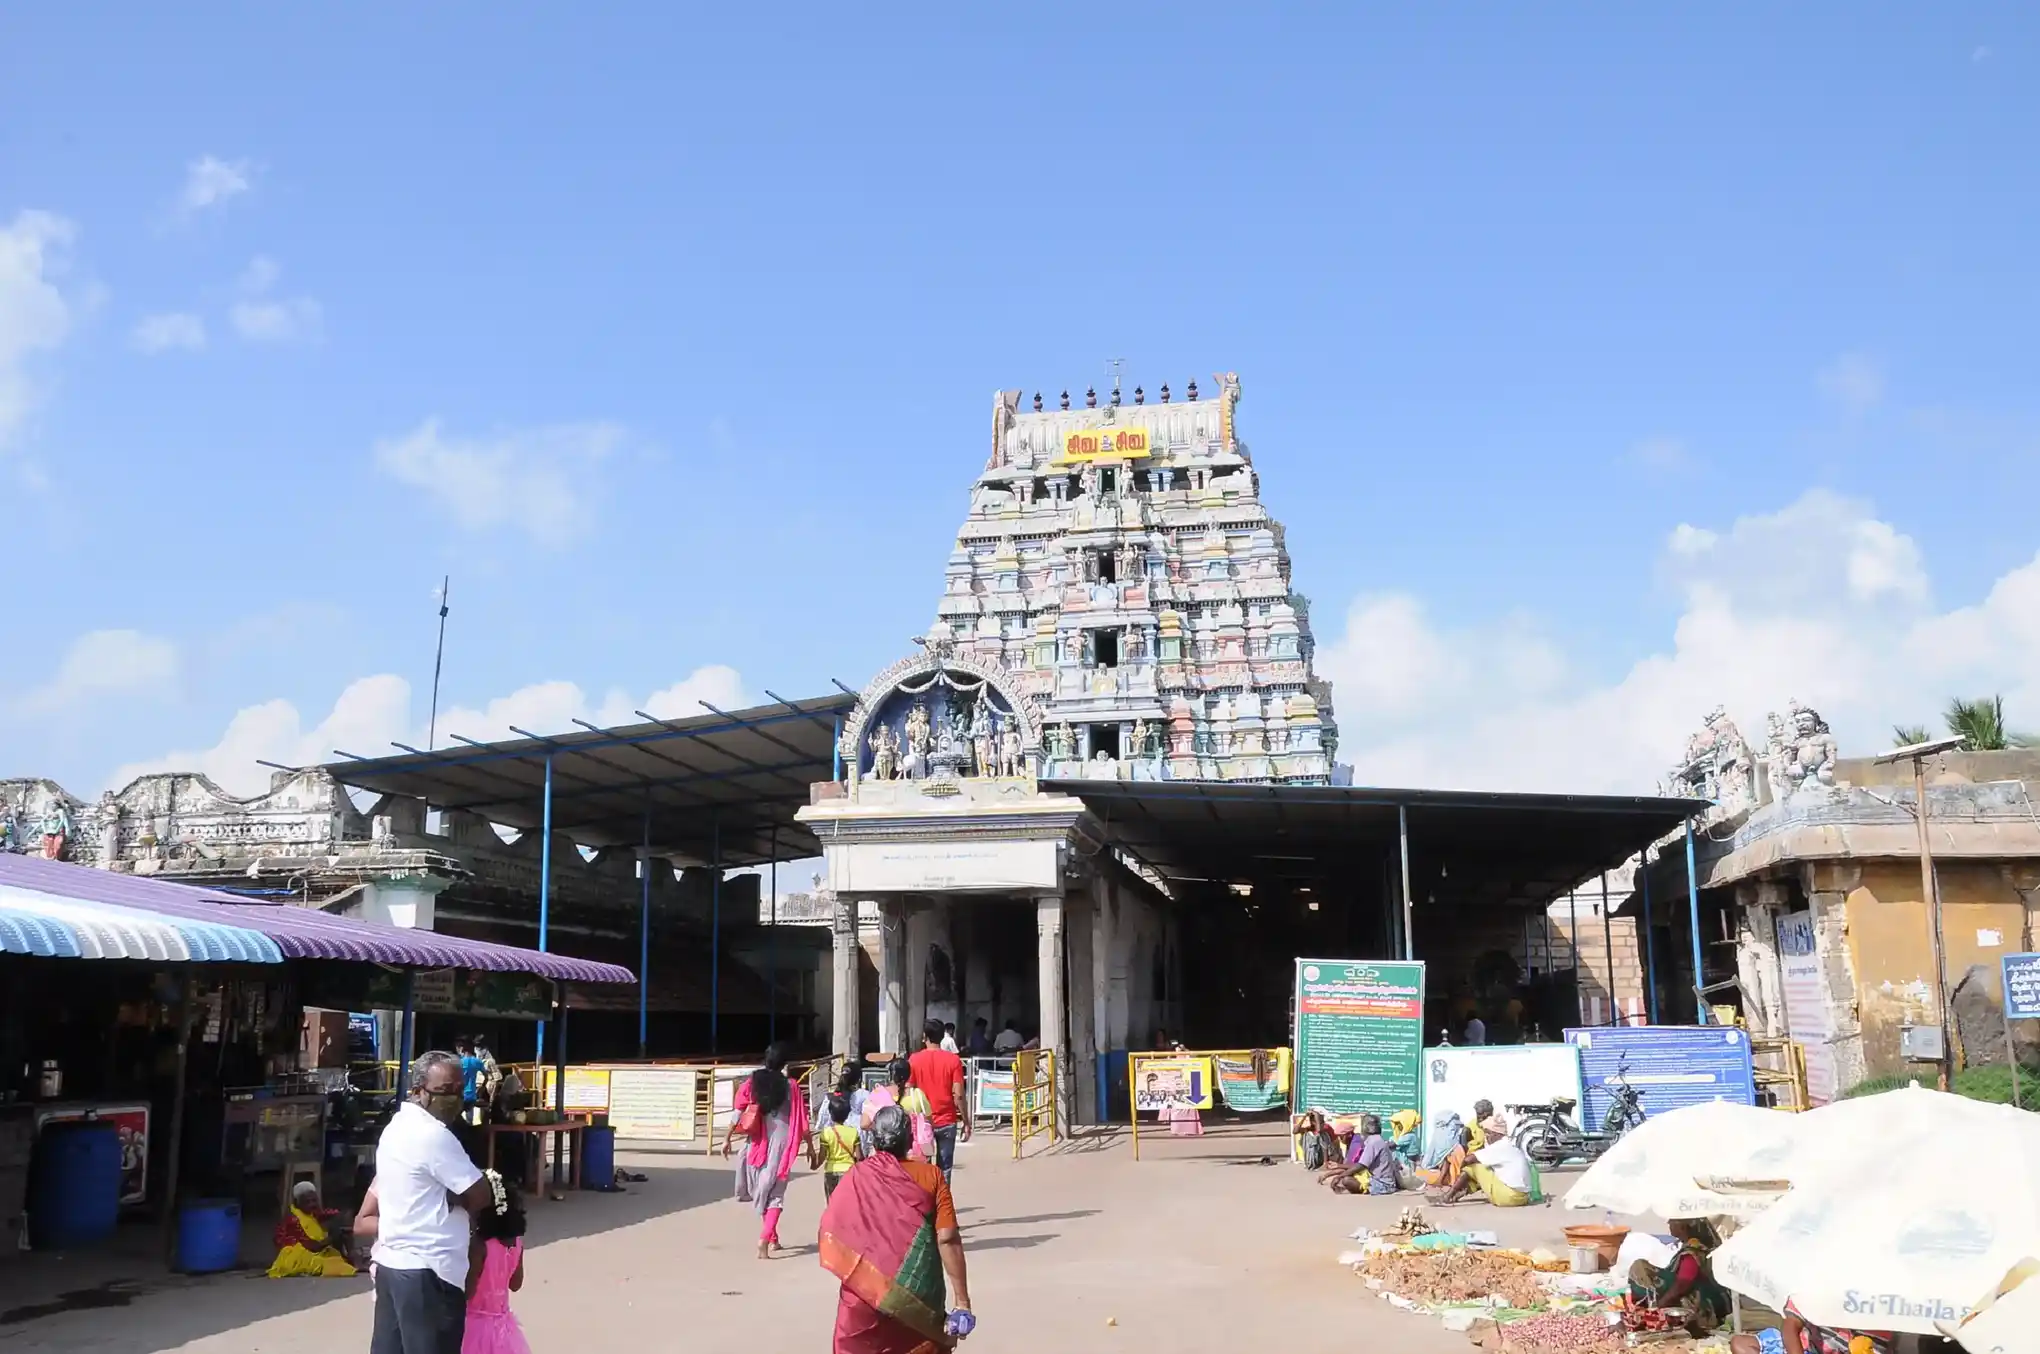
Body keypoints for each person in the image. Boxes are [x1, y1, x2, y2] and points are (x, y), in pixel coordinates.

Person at [357, 1050, 493, 1354]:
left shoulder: (396, 1128)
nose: (455, 1098)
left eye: (460, 1089)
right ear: (419, 1091)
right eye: (445, 1091)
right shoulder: (433, 1136)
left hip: (393, 1266)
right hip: (428, 1271)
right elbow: (481, 1193)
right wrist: (453, 1197)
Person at [817, 1104, 974, 1353]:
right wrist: (962, 1302)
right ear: (910, 1140)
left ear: (875, 1141)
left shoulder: (857, 1175)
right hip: (918, 1301)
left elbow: (832, 1228)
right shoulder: (931, 1176)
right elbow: (947, 1238)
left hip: (863, 1296)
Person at [723, 1042, 810, 1259]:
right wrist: (809, 1144)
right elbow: (801, 1118)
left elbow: (737, 1113)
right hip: (782, 1142)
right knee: (776, 1192)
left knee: (762, 1188)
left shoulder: (753, 1082)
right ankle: (765, 1239)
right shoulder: (791, 1086)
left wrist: (726, 1139)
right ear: (784, 1063)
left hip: (757, 1140)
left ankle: (772, 1238)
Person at [462, 1169, 530, 1354]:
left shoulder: (478, 1246)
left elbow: (468, 1293)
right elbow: (515, 1284)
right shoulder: (516, 1243)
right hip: (504, 1327)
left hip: (473, 1327)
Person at [1628, 1219, 1731, 1336]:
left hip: (1701, 1303)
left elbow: (1683, 1284)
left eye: (1671, 1222)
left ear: (1682, 1227)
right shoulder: (1692, 1247)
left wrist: (1661, 1304)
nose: (1668, 1224)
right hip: (1701, 1295)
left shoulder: (1693, 1251)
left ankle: (1651, 1314)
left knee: (1640, 1269)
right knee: (1641, 1267)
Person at [909, 1018, 969, 1184]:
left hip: (922, 1123)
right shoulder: (953, 1060)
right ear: (942, 1037)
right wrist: (966, 1120)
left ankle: (926, 1205)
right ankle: (942, 1206)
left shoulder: (914, 1060)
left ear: (924, 1037)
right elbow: (959, 1095)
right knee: (945, 1168)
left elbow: (908, 1091)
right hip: (947, 1121)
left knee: (923, 1167)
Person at [267, 1180, 357, 1278]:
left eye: (314, 1201)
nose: (312, 1204)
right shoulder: (293, 1220)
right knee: (336, 1266)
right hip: (298, 1255)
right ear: (298, 1203)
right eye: (308, 1202)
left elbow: (327, 1213)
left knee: (341, 1233)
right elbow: (311, 1246)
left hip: (315, 1250)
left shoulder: (311, 1212)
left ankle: (352, 1259)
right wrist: (332, 1238)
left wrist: (345, 1215)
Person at [1320, 1114, 1402, 1196]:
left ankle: (1365, 1190)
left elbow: (1360, 1166)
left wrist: (1339, 1176)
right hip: (1379, 1179)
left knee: (1346, 1180)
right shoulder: (1375, 1139)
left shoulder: (1373, 1142)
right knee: (1348, 1177)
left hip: (1383, 1184)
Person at [818, 1093, 864, 1200]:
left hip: (831, 1171)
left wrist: (814, 1161)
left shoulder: (826, 1132)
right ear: (847, 1114)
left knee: (832, 1204)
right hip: (849, 1171)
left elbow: (822, 1156)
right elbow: (860, 1156)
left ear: (830, 1113)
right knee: (848, 1203)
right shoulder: (853, 1132)